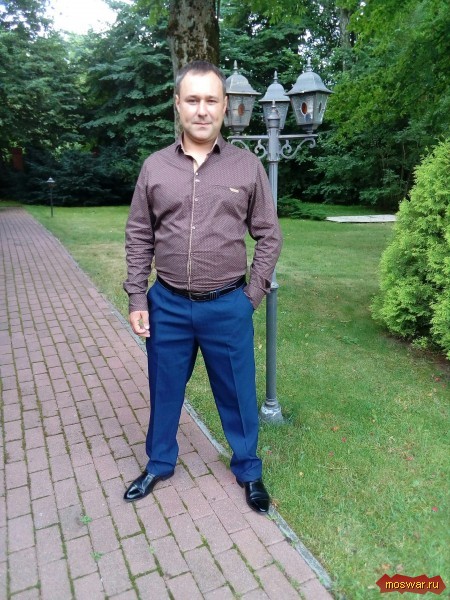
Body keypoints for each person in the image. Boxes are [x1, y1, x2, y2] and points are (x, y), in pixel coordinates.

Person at [123, 60, 282, 513]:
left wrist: (251, 296)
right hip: (167, 304)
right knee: (164, 388)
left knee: (238, 393)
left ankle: (248, 470)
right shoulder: (155, 167)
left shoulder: (246, 167)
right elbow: (139, 233)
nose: (202, 109)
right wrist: (137, 295)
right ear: (177, 104)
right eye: (192, 100)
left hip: (227, 305)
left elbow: (269, 235)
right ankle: (159, 463)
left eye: (211, 100)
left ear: (225, 106)